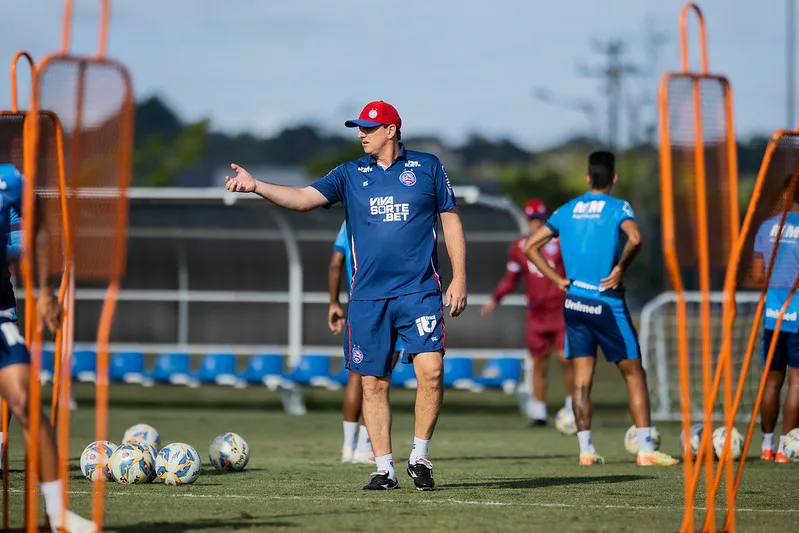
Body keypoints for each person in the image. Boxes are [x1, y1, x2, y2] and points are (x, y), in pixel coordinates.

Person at [225, 100, 467, 490]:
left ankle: (420, 456)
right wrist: (257, 186)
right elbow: (303, 199)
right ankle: (384, 469)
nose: (361, 134)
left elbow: (451, 221)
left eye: (369, 128)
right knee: (373, 384)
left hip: (419, 291)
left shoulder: (428, 167)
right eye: (359, 128)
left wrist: (460, 278)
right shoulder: (350, 173)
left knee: (432, 371)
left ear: (391, 130)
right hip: (368, 298)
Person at [522, 151, 678, 467]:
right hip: (607, 302)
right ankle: (646, 449)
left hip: (574, 302)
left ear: (587, 178)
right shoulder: (618, 207)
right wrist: (621, 268)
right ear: (614, 179)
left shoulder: (568, 209)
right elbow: (636, 239)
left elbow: (529, 246)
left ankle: (586, 451)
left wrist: (558, 280)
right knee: (634, 374)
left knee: (582, 379)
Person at [0, 164, 95, 531]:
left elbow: (38, 227)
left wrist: (42, 291)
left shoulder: (9, 180)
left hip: (0, 313)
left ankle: (58, 515)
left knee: (23, 397)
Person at [481, 198, 573, 426]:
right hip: (537, 313)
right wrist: (495, 299)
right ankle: (539, 412)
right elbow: (510, 279)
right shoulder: (519, 247)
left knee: (566, 359)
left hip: (561, 310)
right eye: (532, 220)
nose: (536, 224)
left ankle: (573, 408)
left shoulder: (561, 242)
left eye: (539, 219)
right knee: (539, 362)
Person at [329, 221, 402, 464]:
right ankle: (365, 447)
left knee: (356, 375)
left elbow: (335, 262)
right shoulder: (392, 215)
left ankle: (348, 448)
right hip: (391, 301)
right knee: (379, 379)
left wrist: (334, 303)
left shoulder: (349, 221)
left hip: (357, 304)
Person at [754, 175, 799, 463]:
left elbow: (759, 276)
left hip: (772, 316)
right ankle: (787, 447)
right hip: (798, 316)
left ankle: (767, 446)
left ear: (785, 195)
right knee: (797, 383)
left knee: (772, 382)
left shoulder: (767, 227)